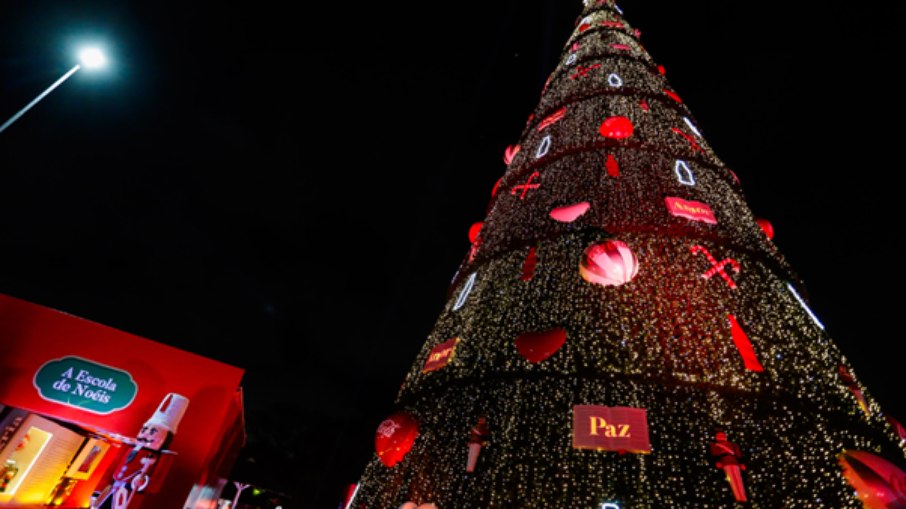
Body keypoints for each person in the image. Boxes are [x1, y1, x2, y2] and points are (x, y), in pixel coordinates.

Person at [91, 393, 189, 509]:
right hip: (108, 491)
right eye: (144, 430)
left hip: (128, 497)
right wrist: (97, 491)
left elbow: (156, 484)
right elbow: (110, 471)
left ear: (165, 439)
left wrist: (143, 481)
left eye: (152, 432)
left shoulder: (164, 457)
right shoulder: (127, 447)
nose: (145, 434)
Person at [709, 428, 747, 502]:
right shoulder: (715, 445)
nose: (721, 437)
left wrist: (741, 463)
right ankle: (738, 498)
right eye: (719, 435)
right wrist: (717, 462)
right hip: (725, 463)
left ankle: (743, 497)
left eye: (722, 435)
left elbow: (738, 454)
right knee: (731, 480)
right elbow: (714, 454)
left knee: (739, 480)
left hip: (734, 462)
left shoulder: (733, 444)